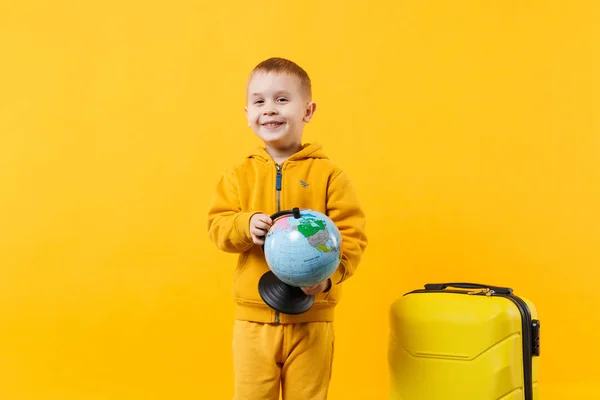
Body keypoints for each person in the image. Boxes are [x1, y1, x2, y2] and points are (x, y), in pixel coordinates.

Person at [207, 57, 368, 400]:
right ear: (247, 114)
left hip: (312, 319)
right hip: (254, 319)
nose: (270, 109)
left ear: (308, 111)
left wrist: (329, 278)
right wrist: (244, 224)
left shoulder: (330, 177)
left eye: (282, 99)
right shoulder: (238, 176)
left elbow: (350, 236)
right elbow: (217, 225)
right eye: (259, 101)